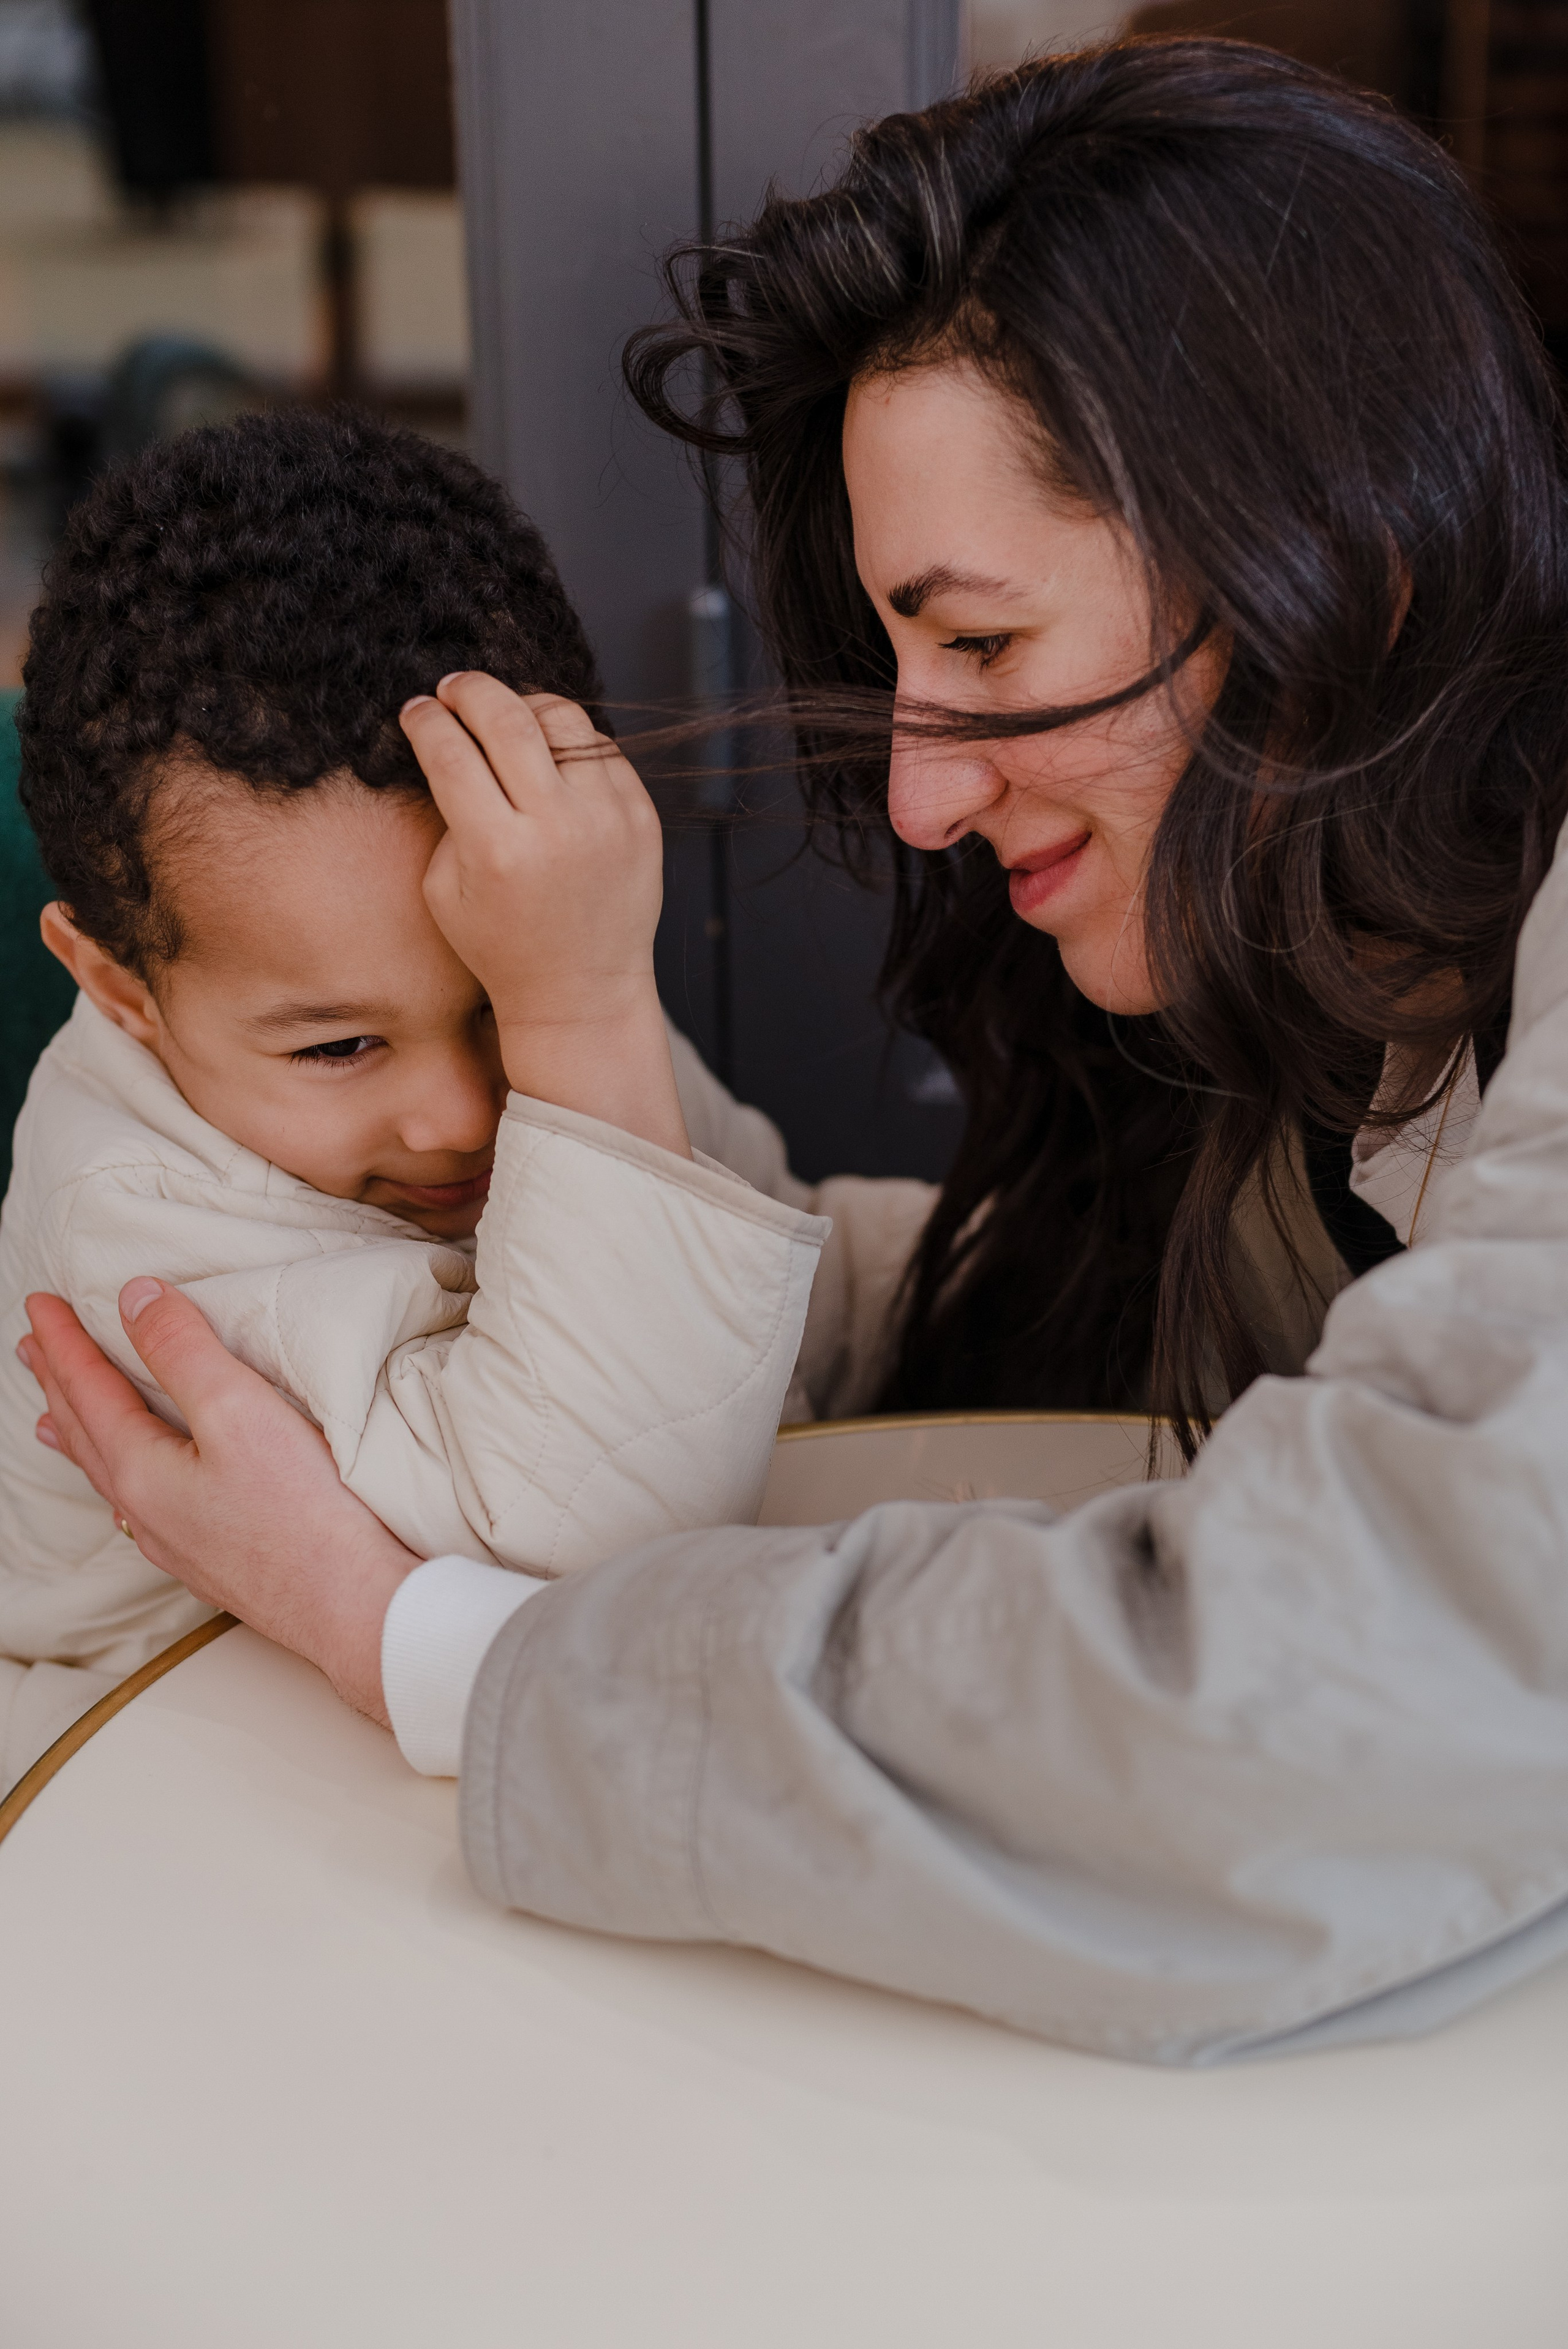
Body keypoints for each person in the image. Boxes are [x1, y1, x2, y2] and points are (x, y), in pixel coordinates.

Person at [21, 39, 1568, 2062]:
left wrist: (410, 1630)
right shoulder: (1333, 1028)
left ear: (1345, 565)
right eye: (898, 657)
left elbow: (1304, 1706)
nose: (918, 794)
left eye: (987, 647)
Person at [0, 408, 838, 1791]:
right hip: (160, 1795)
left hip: (443, 1758)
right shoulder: (139, 1237)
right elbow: (591, 1555)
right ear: (120, 987)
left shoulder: (556, 982)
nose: (460, 1112)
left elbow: (776, 1274)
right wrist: (573, 1011)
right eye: (338, 1049)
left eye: (494, 1008)